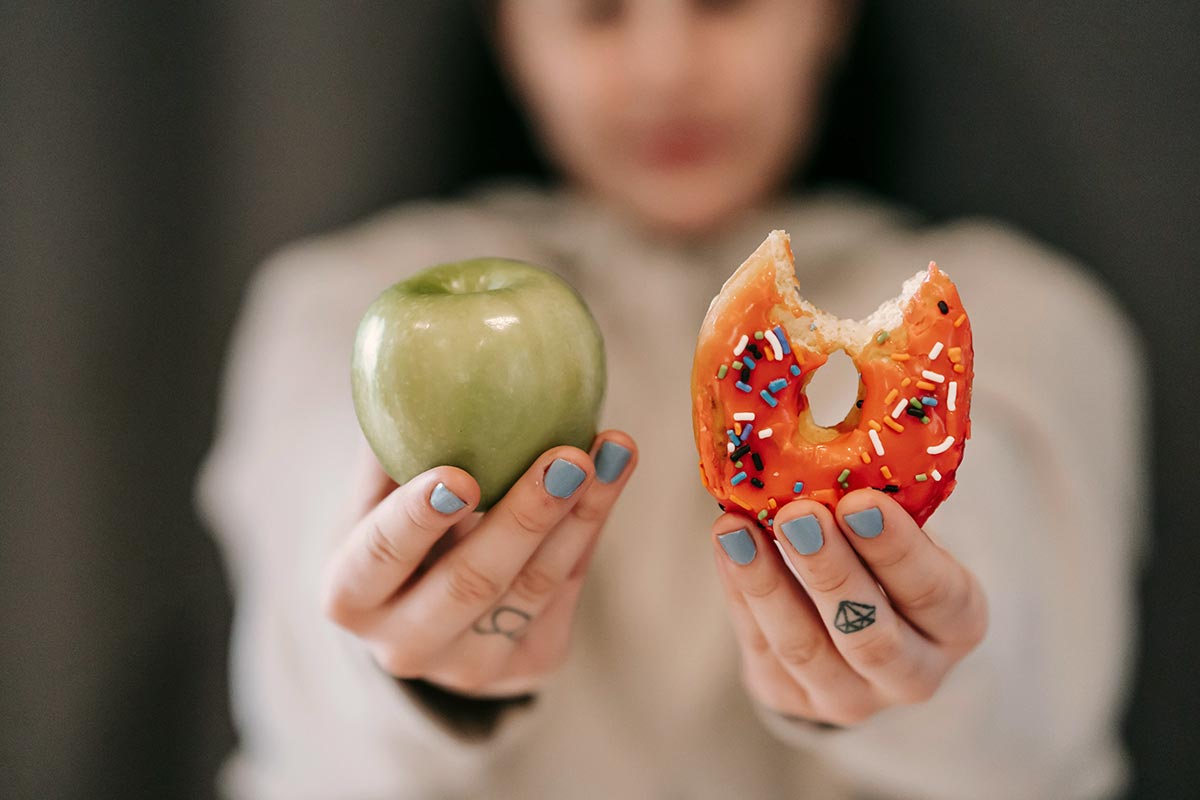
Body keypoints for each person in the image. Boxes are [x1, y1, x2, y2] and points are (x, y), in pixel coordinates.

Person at [195, 1, 1147, 797]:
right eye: (596, 10)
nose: (665, 67)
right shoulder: (331, 304)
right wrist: (404, 668)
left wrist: (931, 671)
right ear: (508, 32)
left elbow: (1036, 682)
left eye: (725, 0)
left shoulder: (1029, 315)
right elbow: (299, 679)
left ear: (831, 15)